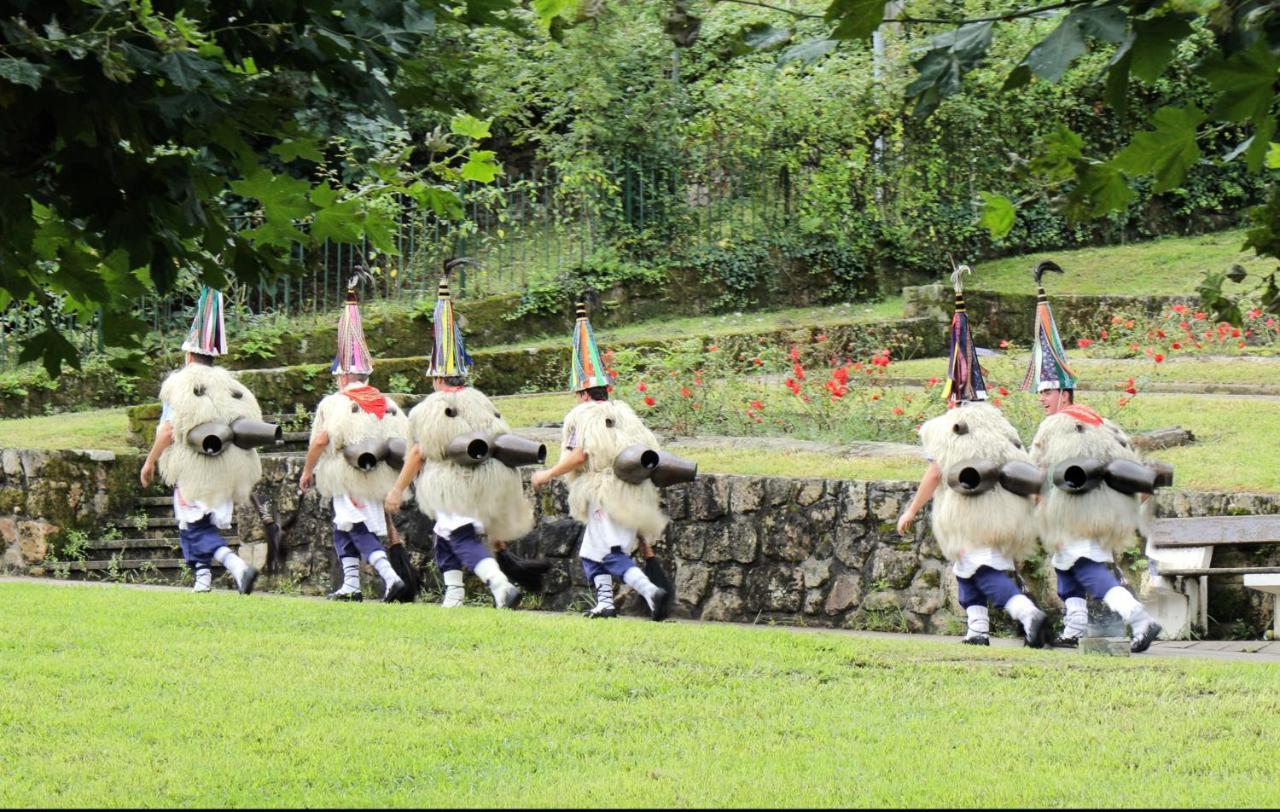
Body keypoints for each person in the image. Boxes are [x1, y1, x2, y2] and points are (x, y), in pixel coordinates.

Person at [897, 266, 1049, 647]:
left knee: (980, 571)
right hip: (1006, 514)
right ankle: (977, 629)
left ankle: (1026, 613)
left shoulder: (948, 426)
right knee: (970, 568)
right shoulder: (999, 423)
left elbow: (935, 472)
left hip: (971, 517)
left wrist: (912, 510)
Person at [1024, 261, 1163, 653]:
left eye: (1048, 393)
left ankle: (1140, 618)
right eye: (1041, 393)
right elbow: (1130, 464)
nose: (1043, 399)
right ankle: (1074, 628)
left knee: (1088, 569)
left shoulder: (1052, 426)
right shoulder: (1102, 420)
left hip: (1075, 512)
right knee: (1067, 567)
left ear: (1065, 393)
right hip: (1101, 513)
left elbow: (1036, 473)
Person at [384, 270, 529, 609]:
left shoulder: (430, 407)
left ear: (436, 374)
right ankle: (454, 595)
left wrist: (397, 490)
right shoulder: (481, 399)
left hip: (454, 483)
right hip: (489, 482)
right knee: (444, 535)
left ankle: (500, 585)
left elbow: (418, 451)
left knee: (460, 535)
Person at [530, 300, 672, 621]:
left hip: (604, 493)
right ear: (605, 389)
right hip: (633, 490)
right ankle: (606, 604)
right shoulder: (625, 413)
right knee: (591, 555)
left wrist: (548, 474)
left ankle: (651, 591)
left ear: (581, 392)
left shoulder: (582, 415)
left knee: (610, 556)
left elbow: (580, 455)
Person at [139, 287, 261, 595]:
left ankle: (237, 567)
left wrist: (150, 461)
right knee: (191, 525)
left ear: (189, 354)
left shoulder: (181, 386)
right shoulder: (230, 387)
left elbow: (167, 431)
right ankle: (202, 580)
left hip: (193, 469)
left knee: (195, 528)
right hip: (225, 468)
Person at [299, 284, 412, 602]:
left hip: (348, 476)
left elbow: (321, 439)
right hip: (377, 478)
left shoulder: (334, 403)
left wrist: (308, 470)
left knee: (357, 528)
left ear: (343, 374)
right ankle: (351, 585)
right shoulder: (387, 402)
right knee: (343, 528)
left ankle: (391, 578)